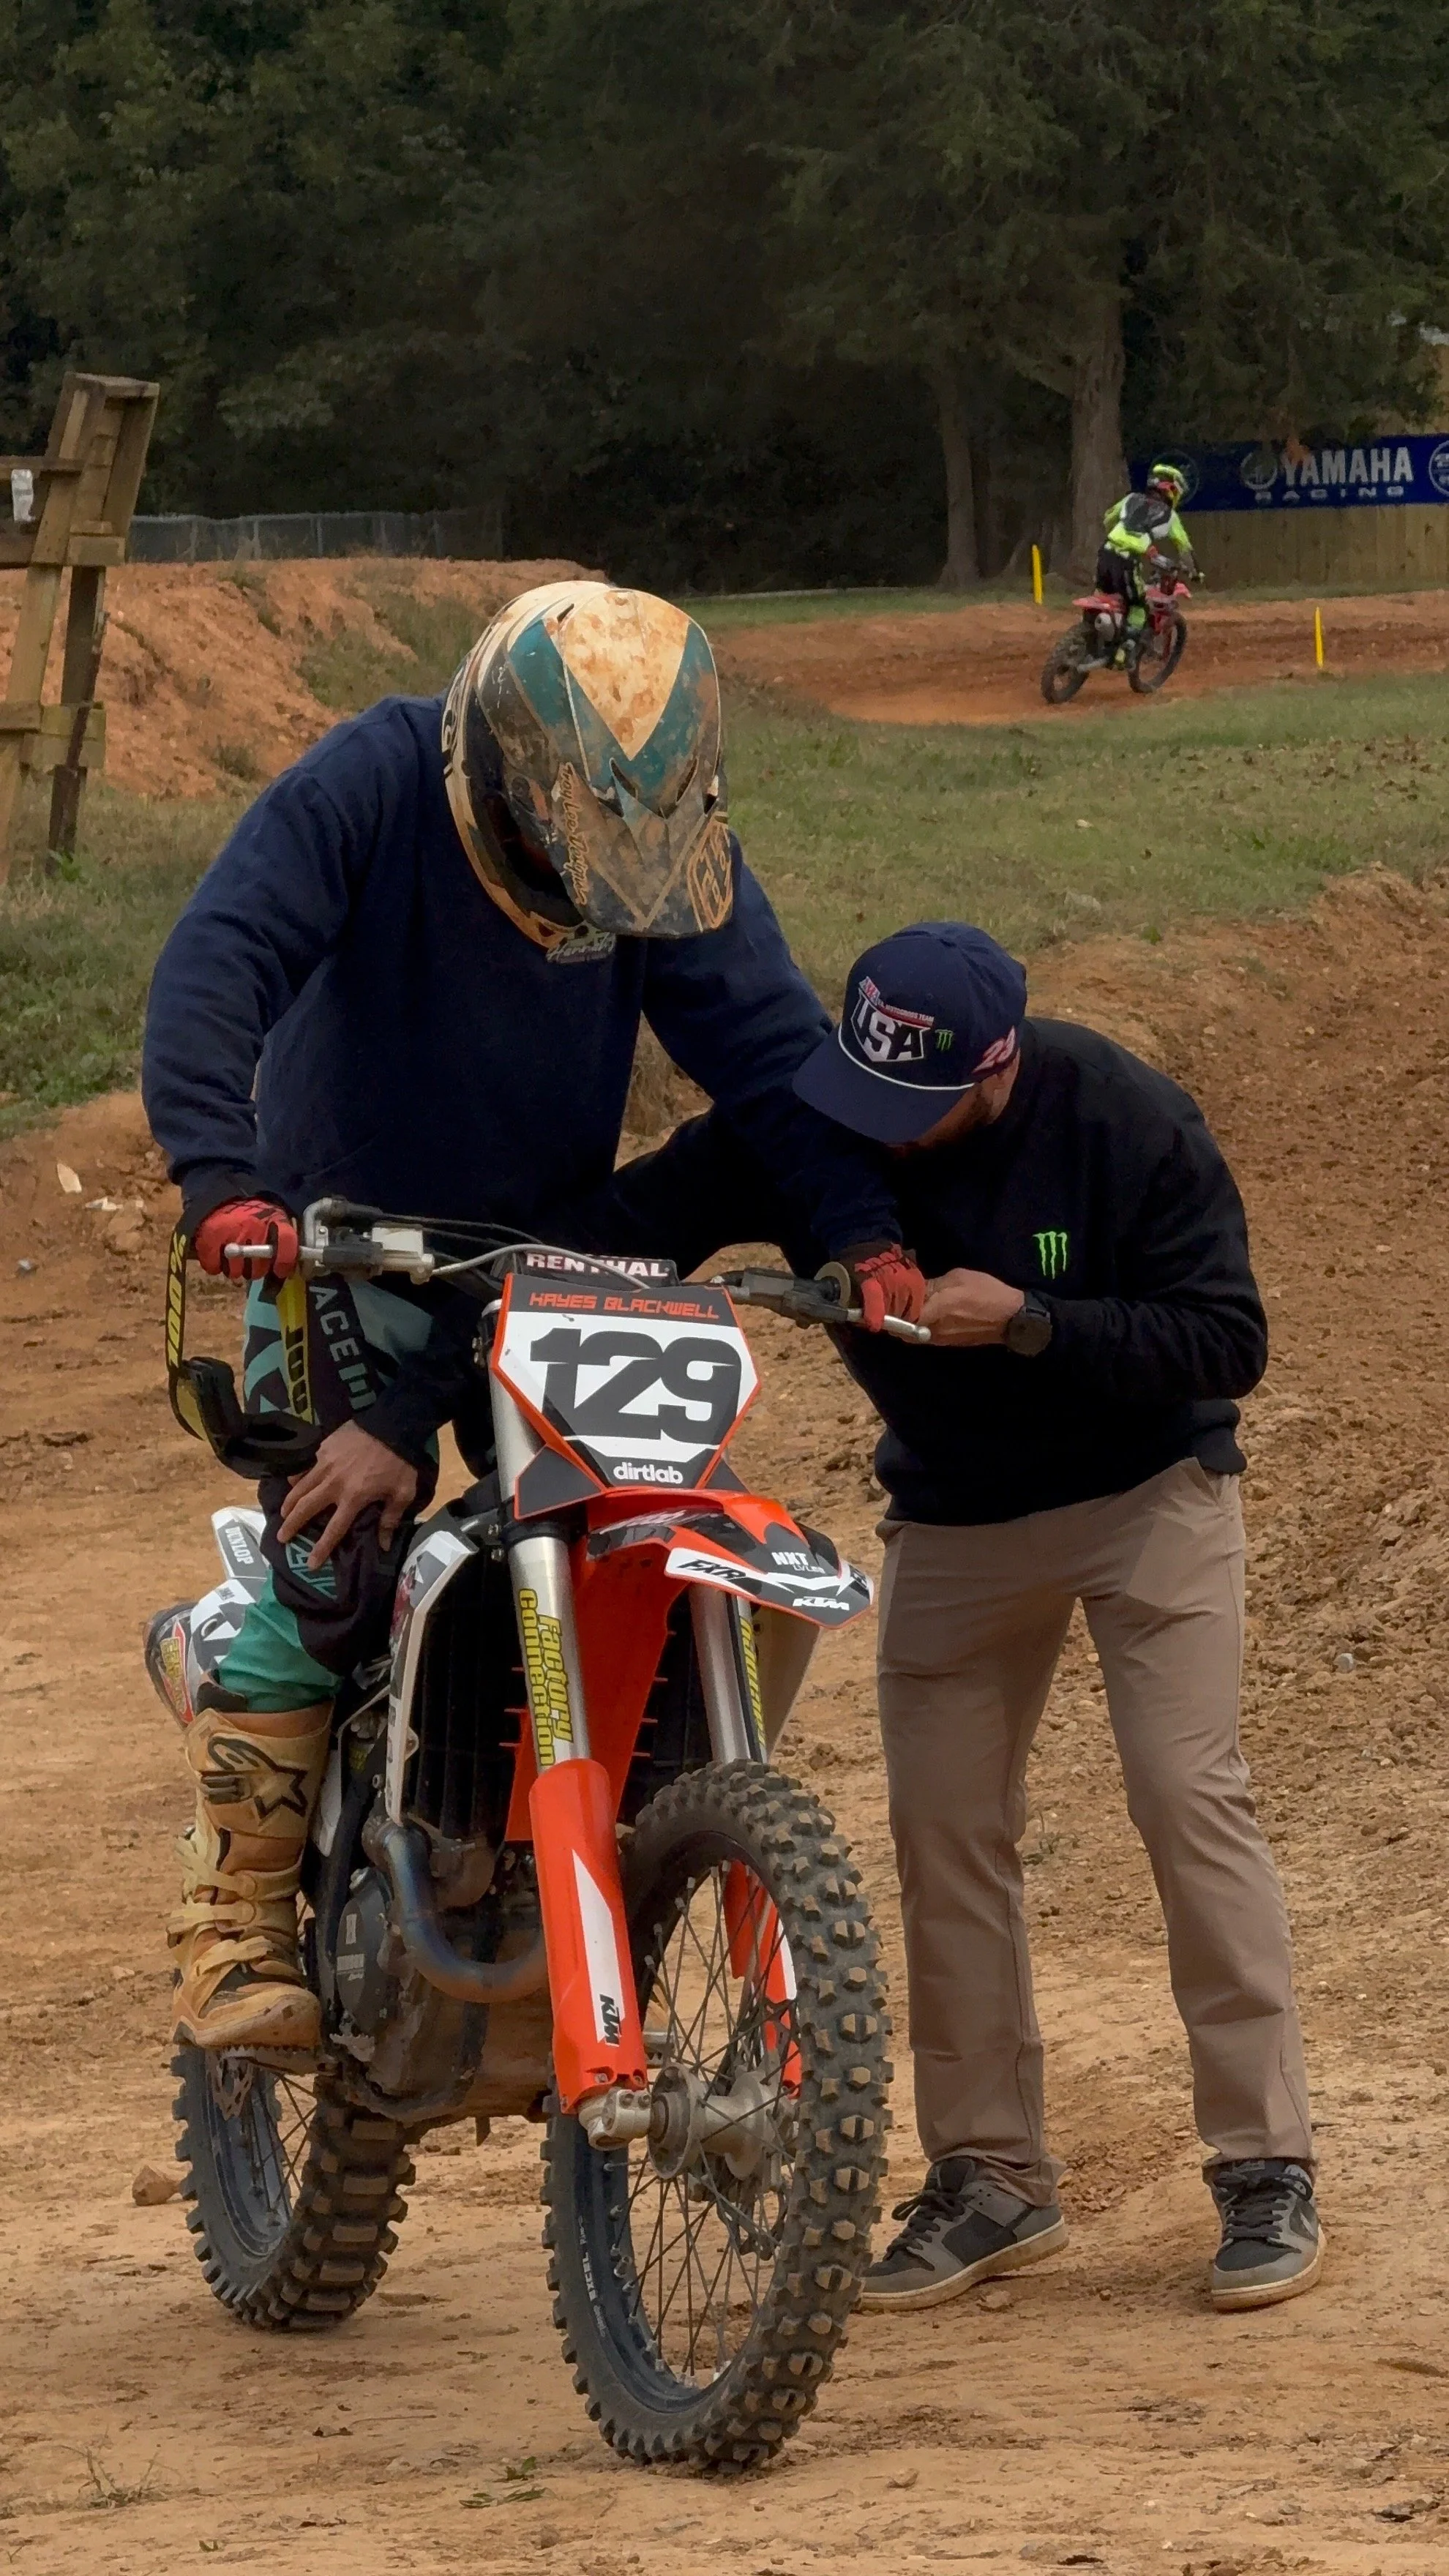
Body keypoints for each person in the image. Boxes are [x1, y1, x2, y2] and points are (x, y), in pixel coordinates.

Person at [140, 579, 924, 2058]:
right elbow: (216, 963)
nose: (592, 898)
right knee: (337, 1545)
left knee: (621, 1503)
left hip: (548, 1251)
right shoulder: (368, 781)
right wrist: (217, 1175)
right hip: (330, 1237)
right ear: (494, 765)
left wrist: (864, 1228)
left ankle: (571, 1835)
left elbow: (768, 1050)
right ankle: (232, 1917)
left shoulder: (653, 837)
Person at [578, 921, 1322, 2315]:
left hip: (1145, 1497)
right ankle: (990, 2178)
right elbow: (615, 1231)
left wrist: (1035, 1321)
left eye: (922, 1114)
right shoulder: (813, 1118)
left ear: (1001, 1065)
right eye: (872, 1108)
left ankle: (1264, 2162)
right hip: (954, 1524)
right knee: (944, 1835)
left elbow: (1230, 1338)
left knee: (1185, 1798)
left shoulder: (1122, 1115)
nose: (891, 1143)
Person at [1098, 460, 1197, 645]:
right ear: (1172, 491)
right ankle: (1124, 652)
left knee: (1103, 597)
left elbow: (1108, 519)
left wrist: (1121, 534)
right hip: (1126, 561)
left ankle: (1085, 639)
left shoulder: (1131, 499)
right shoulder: (1170, 515)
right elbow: (1185, 548)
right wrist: (1195, 572)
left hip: (1106, 552)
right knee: (1139, 605)